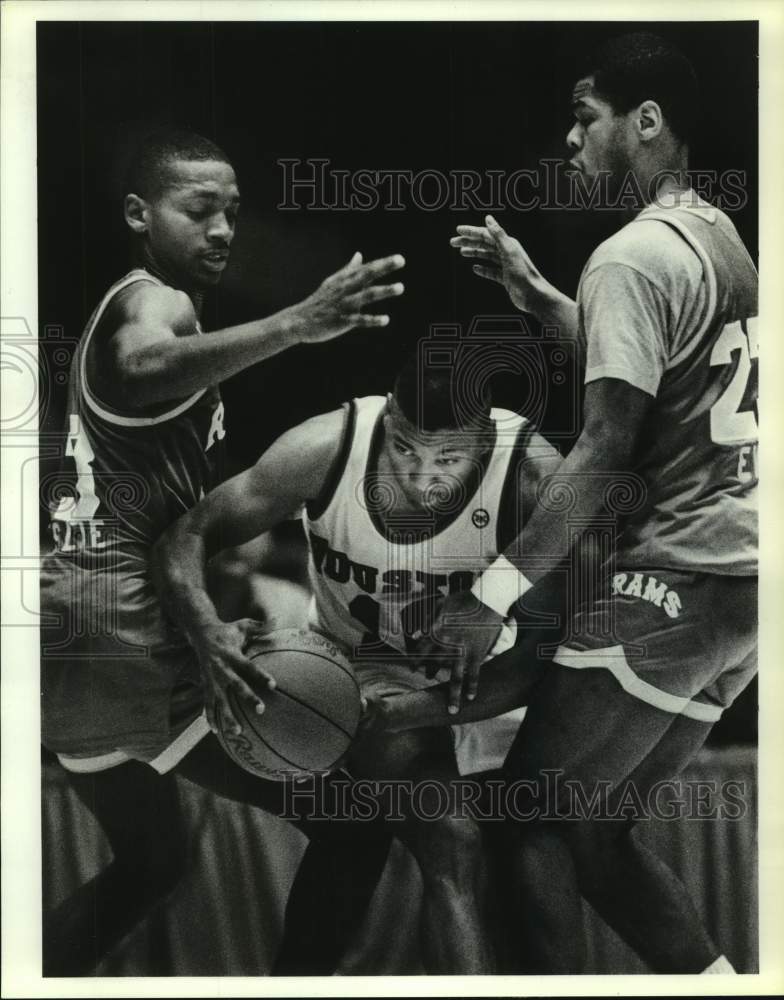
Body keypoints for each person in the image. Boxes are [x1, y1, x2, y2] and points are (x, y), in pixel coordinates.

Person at [405, 32, 757, 973]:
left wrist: (489, 598)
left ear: (646, 123)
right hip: (746, 590)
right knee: (594, 838)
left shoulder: (630, 256)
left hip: (683, 574)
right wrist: (537, 296)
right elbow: (658, 375)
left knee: (530, 820)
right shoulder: (720, 236)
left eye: (584, 116)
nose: (569, 139)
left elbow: (606, 445)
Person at [40, 127, 405, 975]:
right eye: (198, 210)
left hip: (62, 637)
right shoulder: (149, 302)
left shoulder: (153, 305)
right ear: (139, 213)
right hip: (118, 628)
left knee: (154, 863)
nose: (221, 231)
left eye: (232, 214)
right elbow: (142, 366)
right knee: (355, 822)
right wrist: (298, 322)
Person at [153, 351, 563, 973]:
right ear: (389, 417)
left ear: (484, 442)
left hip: (493, 674)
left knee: (544, 850)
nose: (421, 477)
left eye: (448, 459)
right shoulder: (326, 447)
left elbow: (540, 657)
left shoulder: (532, 473)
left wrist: (419, 704)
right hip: (364, 665)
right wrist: (208, 633)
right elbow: (186, 534)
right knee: (446, 840)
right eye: (404, 450)